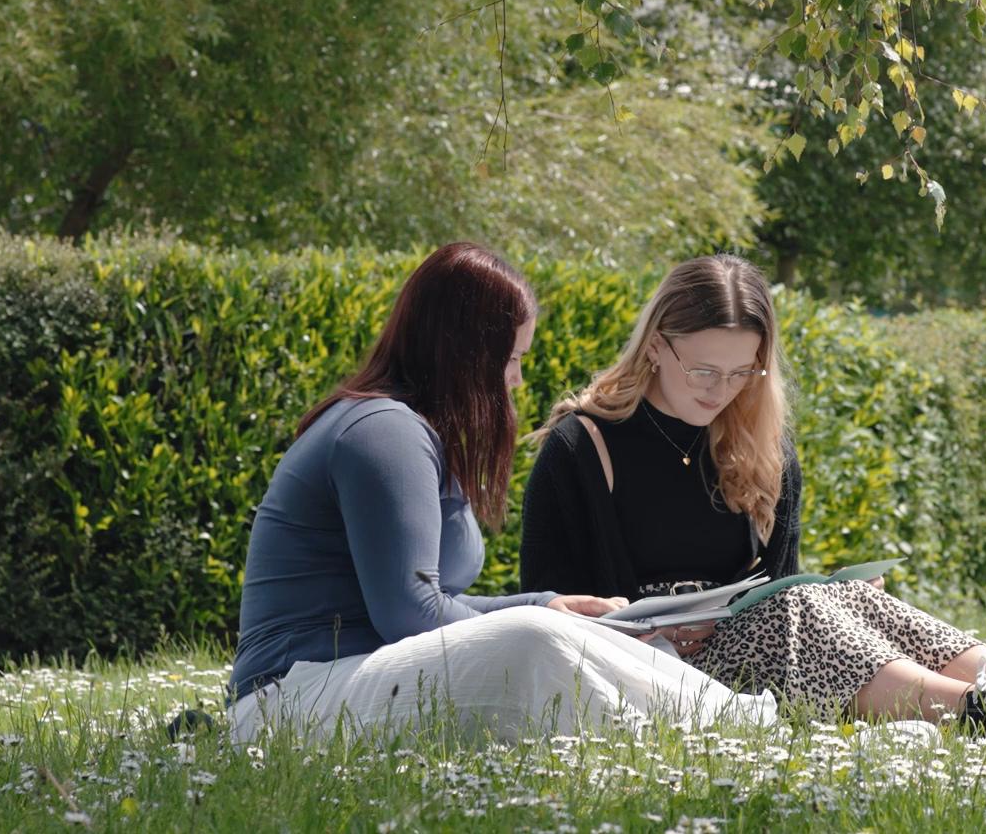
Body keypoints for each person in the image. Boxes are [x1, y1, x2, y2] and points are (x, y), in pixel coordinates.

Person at [520, 255, 986, 738]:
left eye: (743, 372)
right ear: (656, 345)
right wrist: (652, 630)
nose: (721, 391)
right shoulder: (582, 447)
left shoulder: (758, 442)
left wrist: (824, 596)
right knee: (792, 610)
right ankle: (984, 710)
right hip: (646, 665)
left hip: (750, 638)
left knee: (834, 596)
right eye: (704, 371)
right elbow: (544, 612)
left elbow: (777, 579)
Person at [225, 243, 777, 743]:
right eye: (510, 360)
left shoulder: (410, 432)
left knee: (564, 628)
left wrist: (546, 603)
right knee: (534, 640)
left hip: (352, 678)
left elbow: (426, 604)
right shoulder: (383, 433)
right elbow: (409, 615)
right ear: (463, 355)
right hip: (291, 698)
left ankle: (724, 720)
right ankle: (710, 729)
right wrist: (540, 617)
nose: (515, 381)